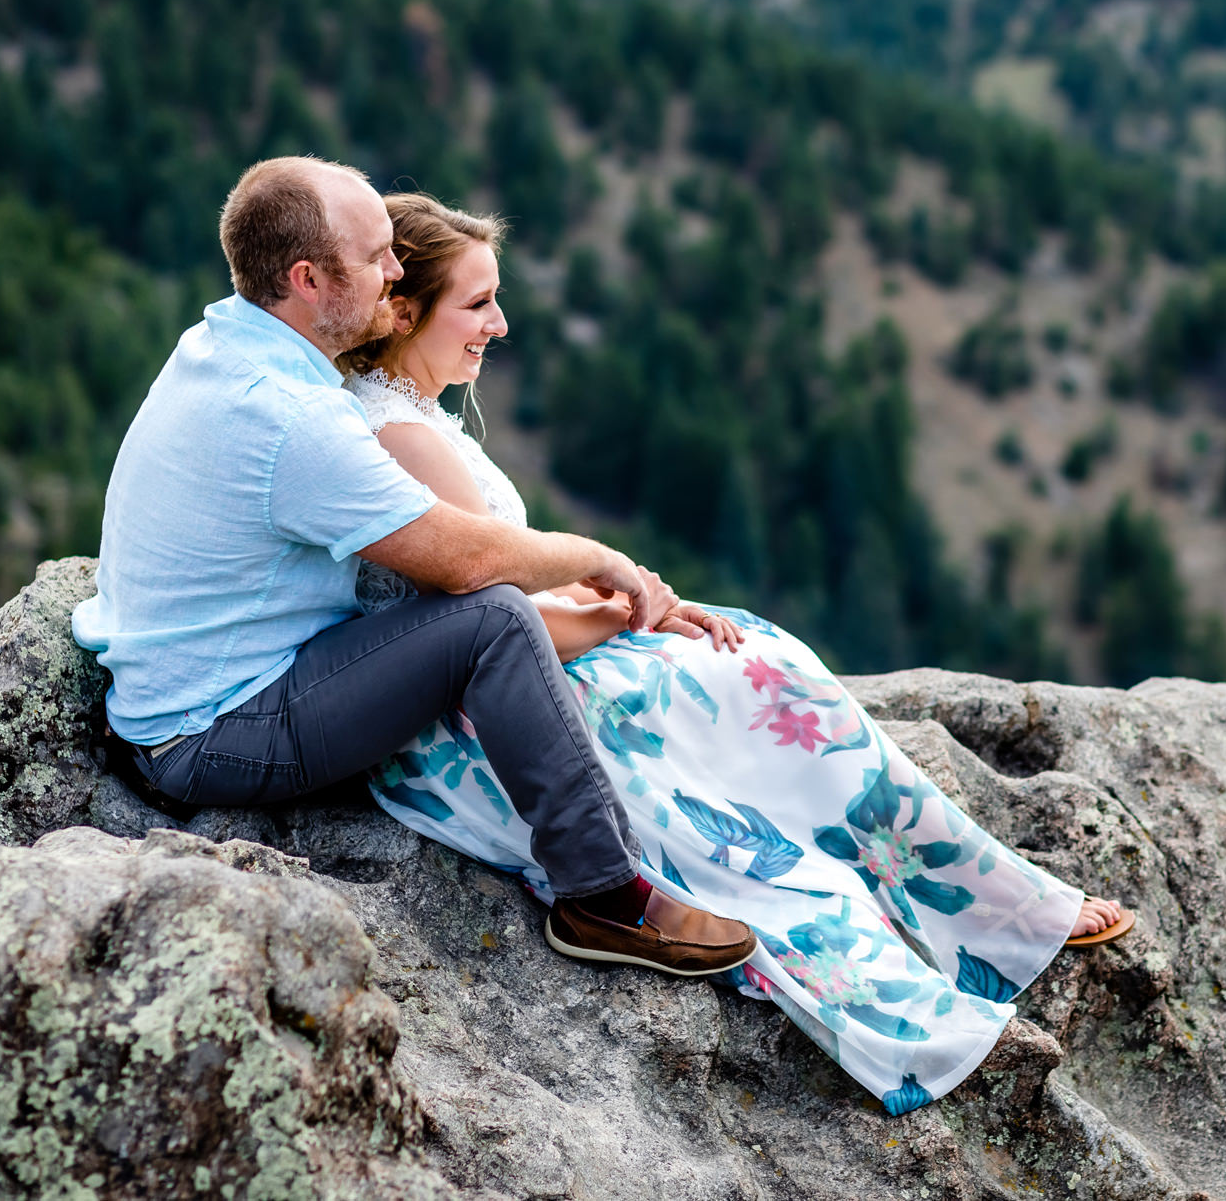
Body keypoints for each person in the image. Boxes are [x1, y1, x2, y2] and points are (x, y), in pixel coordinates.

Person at [341, 191, 1135, 1114]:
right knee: (741, 755)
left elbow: (515, 590)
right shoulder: (397, 435)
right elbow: (501, 622)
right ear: (403, 312)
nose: (500, 322)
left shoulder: (412, 415)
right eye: (477, 304)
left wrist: (631, 604)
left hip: (525, 663)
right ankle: (962, 943)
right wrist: (634, 617)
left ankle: (998, 912)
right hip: (490, 711)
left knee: (763, 664)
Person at [71, 156, 756, 979]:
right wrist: (604, 561)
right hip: (212, 731)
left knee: (489, 615)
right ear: (308, 279)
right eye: (376, 259)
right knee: (492, 621)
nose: (396, 273)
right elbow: (467, 560)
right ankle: (602, 896)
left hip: (172, 692)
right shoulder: (293, 419)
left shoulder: (223, 345)